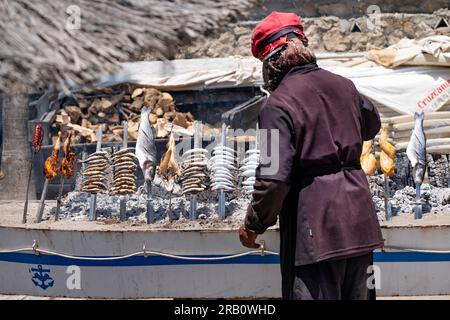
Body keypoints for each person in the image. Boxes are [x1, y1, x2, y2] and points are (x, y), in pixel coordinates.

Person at [239, 12, 384, 300]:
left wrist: (254, 224)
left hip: (315, 235)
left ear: (271, 62)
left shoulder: (274, 107)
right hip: (360, 225)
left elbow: (272, 178)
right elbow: (372, 125)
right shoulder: (345, 85)